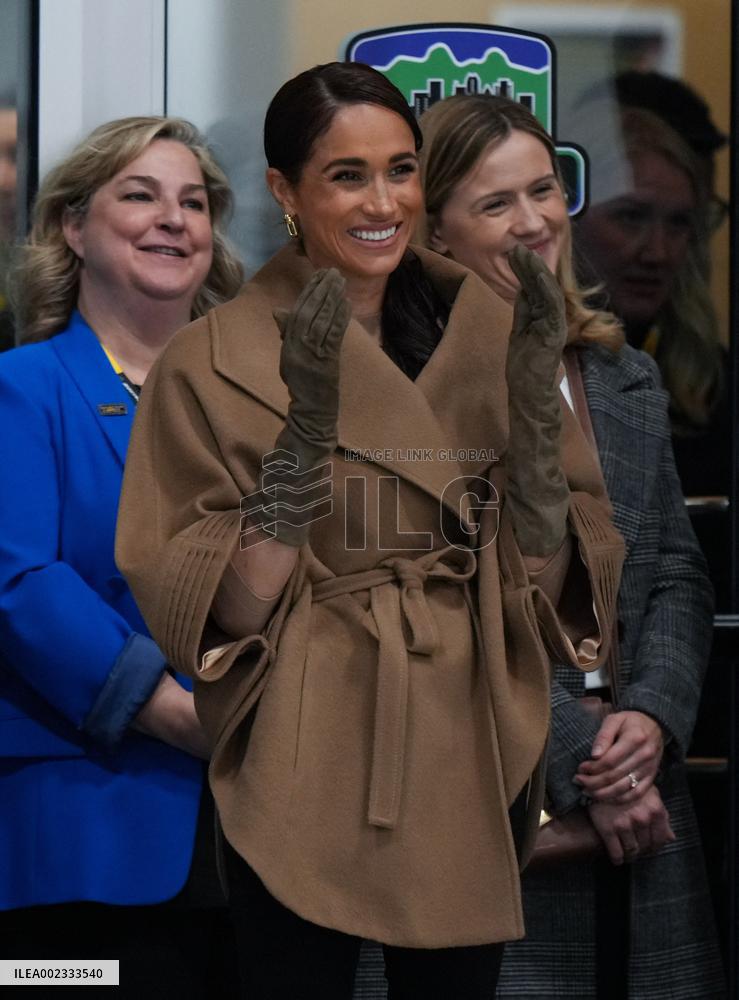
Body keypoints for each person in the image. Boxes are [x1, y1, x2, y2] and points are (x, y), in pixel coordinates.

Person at [115, 62, 625, 1000]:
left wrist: (537, 443)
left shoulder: (496, 333)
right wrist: (302, 443)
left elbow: (556, 590)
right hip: (304, 740)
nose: (383, 203)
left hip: (464, 728)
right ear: (285, 191)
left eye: (400, 170)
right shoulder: (207, 360)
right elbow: (224, 614)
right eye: (346, 176)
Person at [417, 92, 724, 999]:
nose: (533, 222)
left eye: (543, 190)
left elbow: (676, 575)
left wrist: (653, 720)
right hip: (489, 807)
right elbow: (437, 605)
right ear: (434, 234)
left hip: (641, 808)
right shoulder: (403, 390)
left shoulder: (622, 375)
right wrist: (589, 762)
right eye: (495, 203)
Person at [0, 116, 243, 996]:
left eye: (193, 203)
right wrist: (173, 712)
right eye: (140, 196)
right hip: (82, 836)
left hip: (262, 841)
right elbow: (19, 583)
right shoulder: (21, 387)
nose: (173, 219)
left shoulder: (258, 403)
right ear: (73, 227)